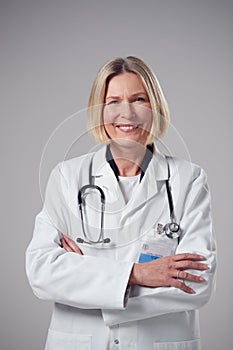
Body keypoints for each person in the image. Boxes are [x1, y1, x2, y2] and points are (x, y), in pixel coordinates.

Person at [26, 56, 216, 350]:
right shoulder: (67, 177)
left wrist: (89, 278)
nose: (126, 113)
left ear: (155, 107)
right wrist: (138, 274)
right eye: (113, 101)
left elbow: (196, 284)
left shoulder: (188, 180)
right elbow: (42, 272)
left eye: (138, 99)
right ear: (99, 111)